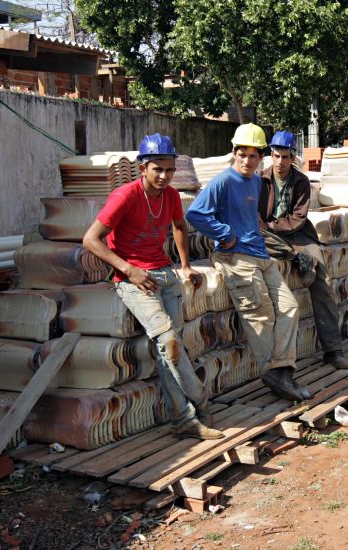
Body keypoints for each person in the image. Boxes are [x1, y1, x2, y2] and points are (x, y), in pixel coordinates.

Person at [83, 133, 223, 440]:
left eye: (170, 170)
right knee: (169, 342)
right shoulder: (125, 195)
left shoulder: (171, 196)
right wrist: (128, 269)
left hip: (164, 273)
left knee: (169, 351)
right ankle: (197, 404)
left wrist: (185, 266)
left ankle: (184, 419)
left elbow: (179, 227)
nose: (164, 176)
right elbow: (90, 239)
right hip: (134, 280)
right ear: (142, 167)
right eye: (157, 169)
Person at [186, 124, 312, 402]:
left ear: (260, 158)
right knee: (260, 313)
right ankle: (274, 374)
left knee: (290, 307)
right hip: (235, 256)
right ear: (233, 153)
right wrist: (225, 235)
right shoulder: (223, 181)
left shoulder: (256, 182)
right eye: (242, 154)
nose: (247, 160)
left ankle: (281, 369)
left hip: (259, 254)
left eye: (253, 156)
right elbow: (196, 214)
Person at [258, 130, 348, 370]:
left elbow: (298, 218)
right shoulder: (259, 180)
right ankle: (294, 257)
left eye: (285, 157)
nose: (280, 162)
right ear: (271, 155)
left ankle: (333, 349)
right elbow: (254, 217)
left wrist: (272, 226)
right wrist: (267, 228)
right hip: (267, 235)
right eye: (276, 156)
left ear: (293, 158)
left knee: (322, 279)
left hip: (298, 234)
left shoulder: (300, 182)